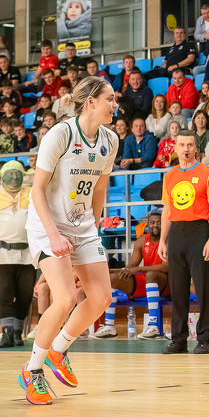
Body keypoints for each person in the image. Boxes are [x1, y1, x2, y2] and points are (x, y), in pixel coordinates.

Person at [19, 77, 118, 405]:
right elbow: (36, 190)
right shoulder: (60, 134)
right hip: (47, 224)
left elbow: (100, 190)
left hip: (82, 226)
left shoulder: (110, 140)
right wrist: (54, 235)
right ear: (91, 102)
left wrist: (94, 230)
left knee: (101, 297)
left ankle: (57, 351)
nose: (115, 105)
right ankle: (32, 370)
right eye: (110, 99)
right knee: (63, 299)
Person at [159, 129, 209, 354]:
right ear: (175, 148)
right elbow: (167, 210)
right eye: (182, 145)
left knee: (203, 288)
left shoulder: (207, 173)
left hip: (199, 231)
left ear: (196, 147)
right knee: (177, 289)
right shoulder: (169, 176)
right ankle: (178, 340)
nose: (186, 149)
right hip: (176, 233)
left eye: (190, 145)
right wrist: (162, 240)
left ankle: (204, 339)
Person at [91, 212, 169, 340]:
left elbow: (166, 267)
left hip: (165, 282)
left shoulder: (169, 240)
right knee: (112, 279)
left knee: (151, 275)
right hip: (147, 280)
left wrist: (139, 269)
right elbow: (133, 264)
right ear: (147, 225)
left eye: (159, 223)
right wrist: (126, 269)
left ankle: (153, 326)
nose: (155, 225)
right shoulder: (142, 240)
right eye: (152, 222)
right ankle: (109, 327)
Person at [0, 162, 33, 348]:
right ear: (2, 176)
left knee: (25, 296)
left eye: (18, 173)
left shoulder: (31, 194)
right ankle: (6, 334)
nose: (14, 177)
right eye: (10, 173)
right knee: (4, 294)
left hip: (28, 254)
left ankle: (17, 332)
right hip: (2, 254)